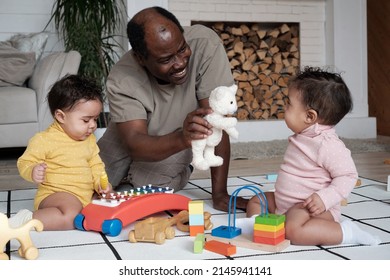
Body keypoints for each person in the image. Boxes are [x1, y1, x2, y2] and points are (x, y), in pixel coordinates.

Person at [97, 6, 247, 212]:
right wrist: (181, 138)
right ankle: (126, 174)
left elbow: (216, 121)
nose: (180, 63)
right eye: (166, 60)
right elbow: (134, 143)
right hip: (141, 133)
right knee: (93, 180)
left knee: (144, 186)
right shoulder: (122, 78)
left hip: (180, 132)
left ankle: (185, 168)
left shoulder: (206, 45)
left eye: (182, 49)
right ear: (140, 59)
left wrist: (220, 194)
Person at [238, 67, 381, 246]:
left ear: (309, 116)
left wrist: (324, 198)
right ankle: (260, 227)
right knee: (257, 200)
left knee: (294, 231)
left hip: (309, 208)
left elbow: (348, 175)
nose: (285, 107)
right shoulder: (304, 135)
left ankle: (347, 232)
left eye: (289, 104)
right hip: (284, 202)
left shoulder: (327, 144)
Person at [10, 75, 112, 230]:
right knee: (72, 214)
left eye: (95, 119)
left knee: (110, 202)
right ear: (61, 116)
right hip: (56, 195)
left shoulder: (89, 140)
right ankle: (26, 219)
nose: (92, 125)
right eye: (86, 120)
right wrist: (32, 170)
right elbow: (24, 162)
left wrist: (102, 184)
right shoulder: (44, 139)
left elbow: (96, 165)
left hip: (85, 195)